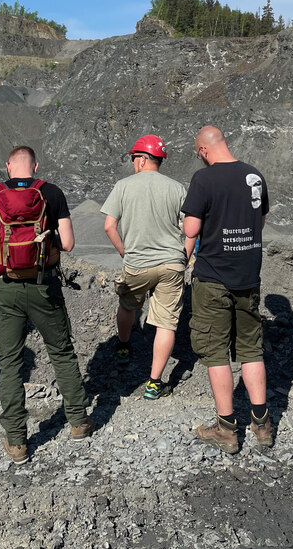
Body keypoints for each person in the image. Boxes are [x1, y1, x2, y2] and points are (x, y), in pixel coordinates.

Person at [0, 145, 93, 464]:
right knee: (62, 352)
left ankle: (16, 442)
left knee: (10, 364)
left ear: (9, 166)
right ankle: (79, 422)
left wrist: (5, 254)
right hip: (44, 286)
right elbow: (67, 244)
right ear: (35, 166)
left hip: (6, 289)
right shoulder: (51, 193)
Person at [183, 126, 272, 454]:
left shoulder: (203, 180)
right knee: (251, 348)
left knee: (216, 351)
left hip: (213, 278)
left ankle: (226, 429)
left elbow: (191, 228)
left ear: (204, 150)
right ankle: (262, 425)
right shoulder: (255, 175)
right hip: (248, 276)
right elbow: (260, 221)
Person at [102, 134, 189, 400]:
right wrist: (183, 257)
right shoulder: (177, 188)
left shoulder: (123, 186)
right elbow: (191, 228)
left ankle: (124, 346)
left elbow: (109, 226)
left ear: (142, 160)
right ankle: (154, 383)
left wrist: (124, 252)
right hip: (171, 264)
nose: (132, 163)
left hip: (137, 263)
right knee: (166, 324)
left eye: (133, 158)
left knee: (128, 305)